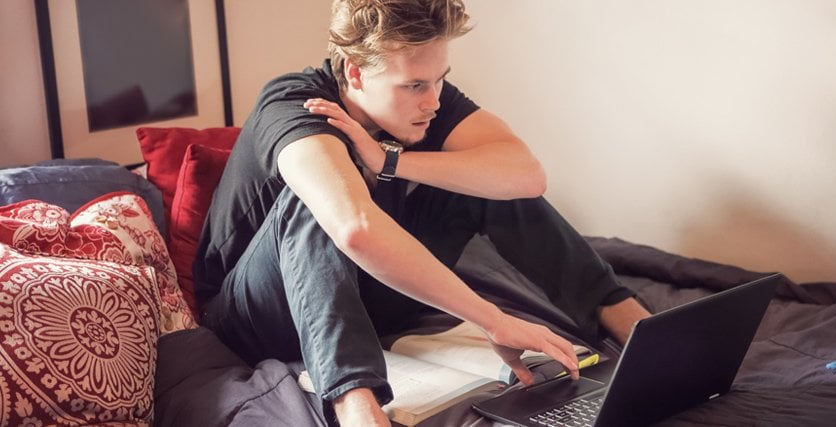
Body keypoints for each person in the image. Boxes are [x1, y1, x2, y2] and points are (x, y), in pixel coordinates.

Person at [194, 0, 651, 425]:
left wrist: (387, 160)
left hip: (367, 298)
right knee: (316, 201)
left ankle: (638, 329)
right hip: (259, 315)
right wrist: (495, 319)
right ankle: (357, 405)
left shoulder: (428, 100)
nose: (432, 100)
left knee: (482, 182)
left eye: (438, 80)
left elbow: (526, 176)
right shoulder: (295, 103)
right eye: (414, 85)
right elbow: (354, 228)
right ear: (355, 73)